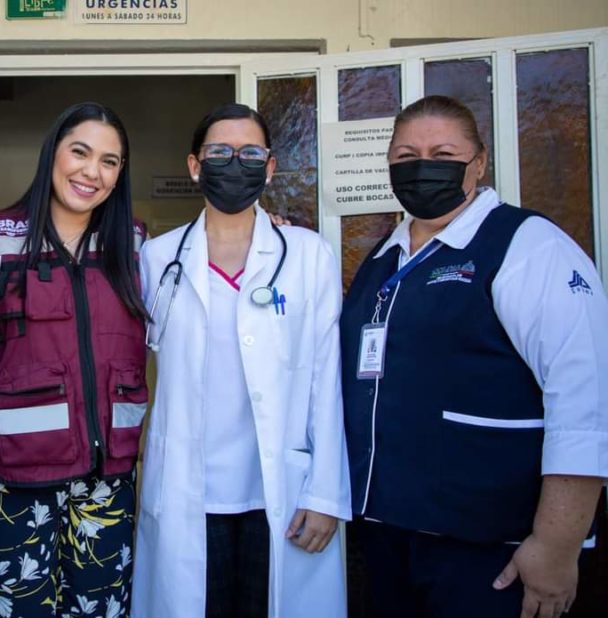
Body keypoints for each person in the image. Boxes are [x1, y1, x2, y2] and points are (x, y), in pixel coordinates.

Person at [341, 94, 608, 618]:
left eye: (443, 153)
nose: (422, 167)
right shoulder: (384, 256)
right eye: (404, 156)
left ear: (479, 163)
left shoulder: (527, 246)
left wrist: (557, 546)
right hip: (388, 537)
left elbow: (585, 401)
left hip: (491, 549)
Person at [131, 103, 351, 618]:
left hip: (279, 492)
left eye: (250, 152)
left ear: (270, 167)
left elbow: (327, 380)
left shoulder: (306, 254)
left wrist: (325, 494)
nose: (235, 162)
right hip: (187, 490)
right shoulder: (157, 259)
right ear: (194, 166)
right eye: (219, 153)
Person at [0, 102, 147, 618]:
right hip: (16, 474)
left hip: (108, 476)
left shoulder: (135, 245)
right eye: (81, 152)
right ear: (53, 154)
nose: (93, 172)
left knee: (101, 609)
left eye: (110, 161)